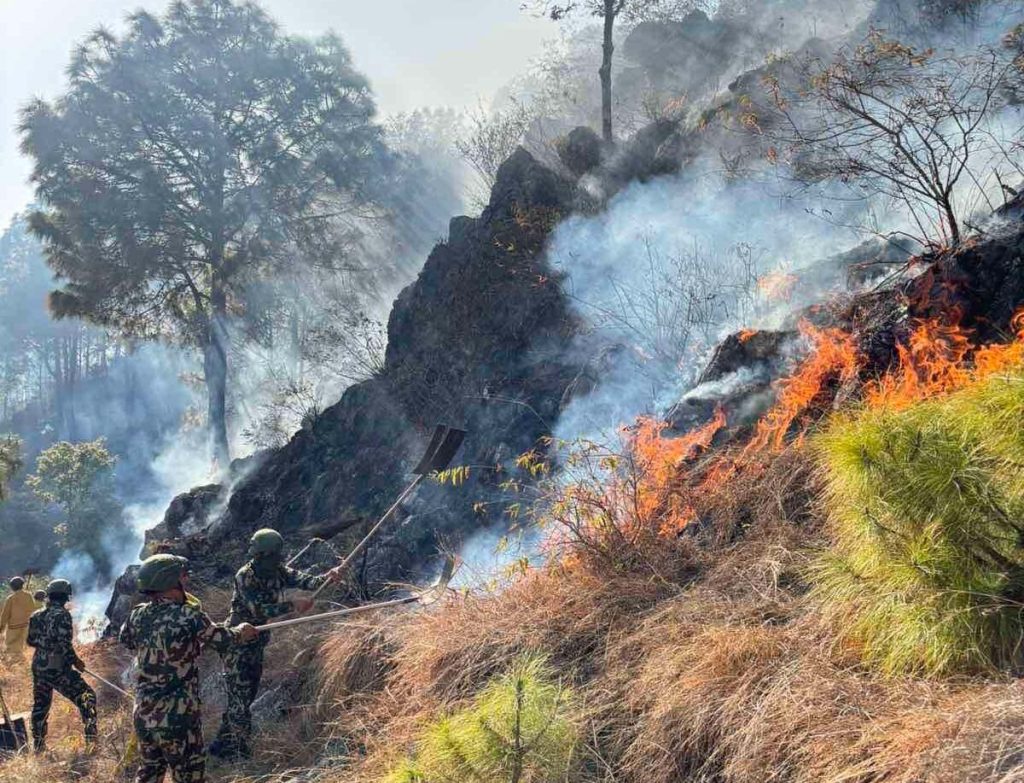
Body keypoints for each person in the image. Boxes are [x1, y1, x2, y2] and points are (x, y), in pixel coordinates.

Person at [120, 554, 258, 783]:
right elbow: (223, 639)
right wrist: (242, 631)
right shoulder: (189, 614)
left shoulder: (137, 615)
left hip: (144, 713)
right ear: (171, 581)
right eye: (183, 575)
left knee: (149, 773)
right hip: (178, 716)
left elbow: (127, 641)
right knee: (189, 775)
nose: (187, 579)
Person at [209, 529, 342, 760]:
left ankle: (222, 743)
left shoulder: (278, 569)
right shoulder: (245, 576)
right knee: (240, 698)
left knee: (246, 695)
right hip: (237, 642)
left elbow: (304, 580)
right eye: (265, 556)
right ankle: (237, 751)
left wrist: (328, 578)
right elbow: (257, 610)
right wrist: (292, 605)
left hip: (256, 641)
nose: (270, 560)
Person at [27, 579, 98, 753]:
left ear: (49, 595)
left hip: (39, 666)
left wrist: (45, 644)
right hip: (57, 668)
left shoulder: (36, 615)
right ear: (66, 597)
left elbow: (30, 641)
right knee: (87, 697)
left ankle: (38, 746)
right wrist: (77, 662)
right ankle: (91, 742)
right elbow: (65, 645)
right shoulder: (63, 615)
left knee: (40, 706)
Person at [0, 576, 37, 659]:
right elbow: (32, 610)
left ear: (12, 587)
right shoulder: (28, 596)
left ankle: (15, 666)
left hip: (13, 628)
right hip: (26, 626)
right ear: (22, 585)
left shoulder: (10, 599)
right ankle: (21, 665)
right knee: (23, 648)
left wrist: (1, 627)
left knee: (12, 649)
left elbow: (5, 615)